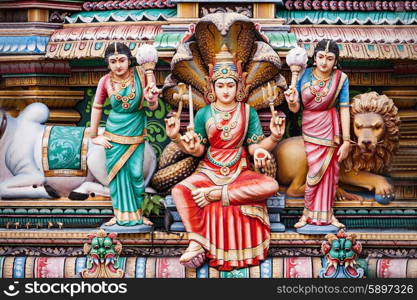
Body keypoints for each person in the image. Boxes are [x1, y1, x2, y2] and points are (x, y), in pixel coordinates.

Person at [165, 45, 286, 270]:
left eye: (230, 85)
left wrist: (272, 141)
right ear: (212, 88)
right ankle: (196, 240)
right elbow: (198, 150)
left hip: (239, 170)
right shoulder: (204, 113)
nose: (226, 90)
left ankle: (218, 195)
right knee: (179, 190)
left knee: (270, 184)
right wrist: (178, 139)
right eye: (220, 86)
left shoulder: (247, 111)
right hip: (209, 170)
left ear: (238, 86)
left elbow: (255, 147)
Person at [90, 42, 159, 226]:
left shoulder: (141, 74)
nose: (118, 65)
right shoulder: (105, 81)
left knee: (136, 174)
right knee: (115, 174)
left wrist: (152, 98)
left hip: (135, 129)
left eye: (121, 60)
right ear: (108, 64)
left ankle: (137, 214)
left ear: (130, 60)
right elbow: (97, 107)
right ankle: (119, 215)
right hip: (114, 132)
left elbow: (153, 105)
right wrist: (94, 135)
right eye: (113, 61)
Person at [284, 39, 350, 229]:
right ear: (314, 58)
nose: (324, 62)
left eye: (329, 59)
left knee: (331, 172)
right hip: (310, 125)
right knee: (314, 172)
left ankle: (328, 214)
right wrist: (290, 101)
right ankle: (307, 213)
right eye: (321, 57)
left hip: (330, 126)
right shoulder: (303, 75)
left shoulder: (341, 78)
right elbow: (295, 108)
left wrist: (346, 140)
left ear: (335, 61)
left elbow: (344, 108)